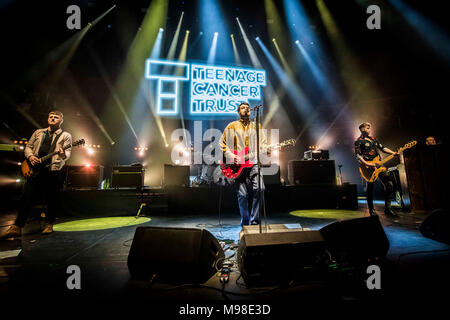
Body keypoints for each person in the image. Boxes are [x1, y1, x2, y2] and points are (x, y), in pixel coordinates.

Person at [1, 110, 72, 239]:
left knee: (50, 198)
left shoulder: (65, 136)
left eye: (56, 117)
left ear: (61, 120)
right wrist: (31, 156)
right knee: (25, 196)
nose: (52, 119)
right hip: (34, 168)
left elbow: (67, 154)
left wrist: (62, 154)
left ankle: (49, 224)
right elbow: (28, 147)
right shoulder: (38, 132)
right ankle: (17, 226)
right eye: (50, 117)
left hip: (51, 169)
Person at [220, 102, 267, 226]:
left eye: (247, 107)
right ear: (238, 111)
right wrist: (231, 156)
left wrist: (266, 148)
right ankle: (245, 222)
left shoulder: (257, 126)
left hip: (253, 163)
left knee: (260, 188)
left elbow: (263, 144)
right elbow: (222, 144)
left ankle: (255, 220)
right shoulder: (232, 126)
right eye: (242, 107)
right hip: (237, 166)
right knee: (243, 195)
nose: (246, 109)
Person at [354, 122, 399, 217]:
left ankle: (388, 209)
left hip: (379, 166)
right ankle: (371, 211)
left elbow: (382, 148)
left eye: (369, 128)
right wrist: (367, 164)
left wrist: (393, 152)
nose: (369, 129)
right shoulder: (358, 141)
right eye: (367, 128)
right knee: (370, 189)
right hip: (367, 168)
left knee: (389, 185)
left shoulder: (373, 139)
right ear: (362, 129)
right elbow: (358, 155)